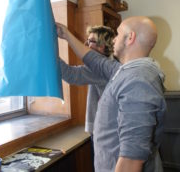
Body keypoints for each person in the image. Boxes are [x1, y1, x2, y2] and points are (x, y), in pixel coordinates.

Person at [57, 16, 166, 172]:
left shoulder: (138, 82)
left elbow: (131, 160)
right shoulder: (125, 71)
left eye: (118, 34)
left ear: (130, 38)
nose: (114, 40)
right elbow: (97, 62)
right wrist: (66, 34)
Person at [61, 25, 115, 170]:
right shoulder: (111, 65)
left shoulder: (102, 69)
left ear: (102, 47)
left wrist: (48, 53)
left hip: (106, 134)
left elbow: (70, 75)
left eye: (90, 41)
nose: (85, 45)